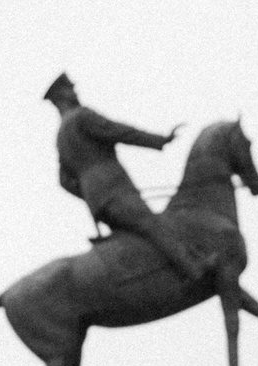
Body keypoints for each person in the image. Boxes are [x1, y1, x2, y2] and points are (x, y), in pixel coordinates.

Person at [45, 72, 213, 282]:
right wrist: (158, 140)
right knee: (154, 226)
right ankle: (194, 269)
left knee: (137, 239)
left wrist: (89, 194)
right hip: (115, 190)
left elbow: (63, 181)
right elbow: (119, 132)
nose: (75, 91)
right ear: (61, 96)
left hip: (98, 203)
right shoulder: (82, 116)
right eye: (70, 89)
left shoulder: (60, 137)